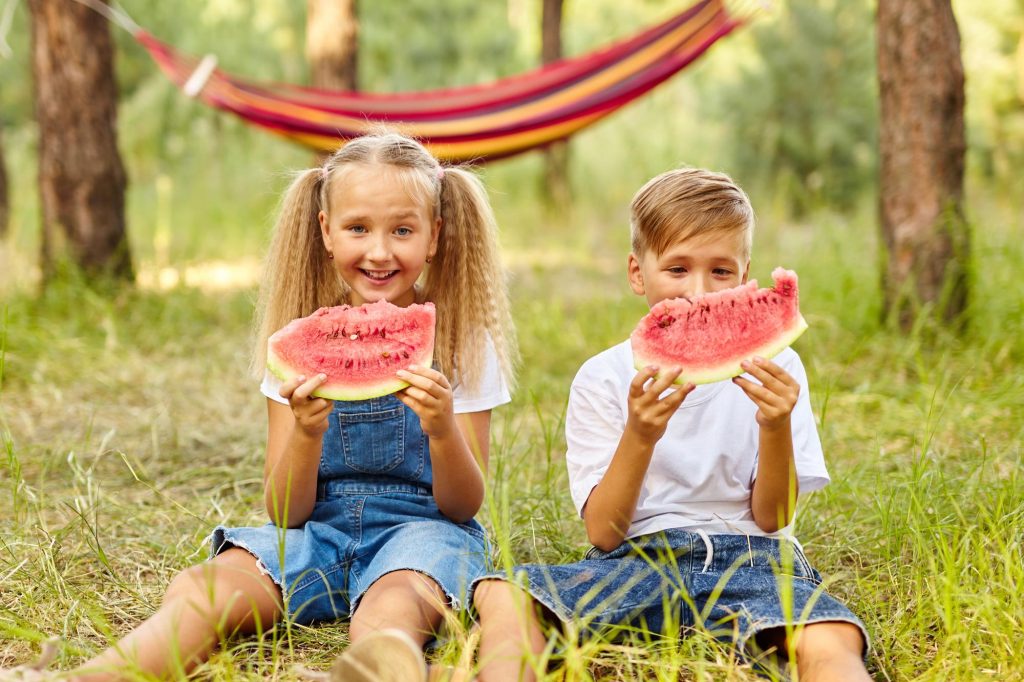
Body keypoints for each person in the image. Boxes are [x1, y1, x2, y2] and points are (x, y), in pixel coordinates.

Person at [66, 132, 516, 682]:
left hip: (424, 534)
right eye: (357, 228)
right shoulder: (296, 344)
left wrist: (443, 430)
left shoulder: (464, 341)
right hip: (317, 535)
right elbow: (284, 513)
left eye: (402, 230)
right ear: (326, 231)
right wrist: (305, 433)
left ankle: (378, 668)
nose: (379, 251)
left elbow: (465, 504)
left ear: (435, 235)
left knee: (392, 606)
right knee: (204, 590)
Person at [470, 168, 870, 681]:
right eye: (677, 269)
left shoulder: (779, 368)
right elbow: (604, 532)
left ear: (746, 276)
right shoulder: (602, 377)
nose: (698, 292)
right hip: (638, 561)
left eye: (721, 272)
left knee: (831, 636)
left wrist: (776, 426)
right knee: (505, 592)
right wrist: (640, 434)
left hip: (757, 562)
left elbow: (772, 517)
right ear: (638, 273)